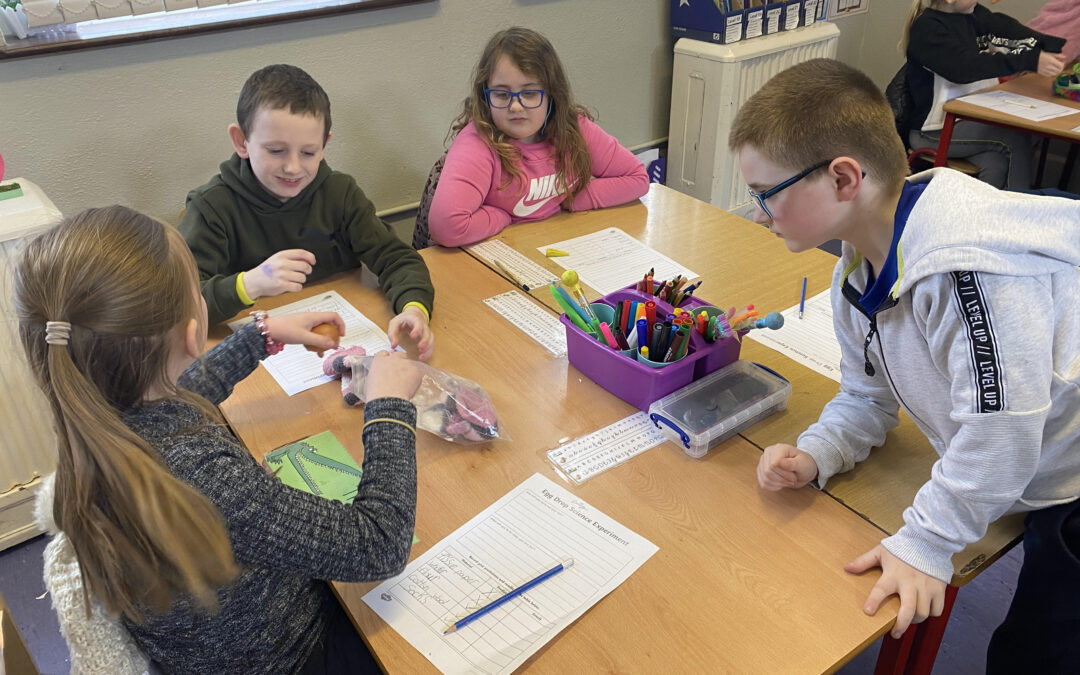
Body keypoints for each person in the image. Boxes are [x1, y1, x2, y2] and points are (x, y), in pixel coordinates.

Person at [729, 58, 1080, 673]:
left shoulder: (965, 270)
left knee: (1043, 647)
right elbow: (867, 397)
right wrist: (818, 452)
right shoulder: (856, 270)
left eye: (767, 193)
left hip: (1067, 466)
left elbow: (1002, 432)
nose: (759, 213)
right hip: (1030, 452)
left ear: (843, 179)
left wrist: (927, 542)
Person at [16, 205, 423, 674]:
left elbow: (181, 400)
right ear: (193, 334)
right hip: (294, 656)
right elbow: (380, 544)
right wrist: (390, 407)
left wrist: (260, 336)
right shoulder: (204, 477)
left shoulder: (99, 418)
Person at [179, 64, 435, 360]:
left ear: (325, 144)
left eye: (308, 152)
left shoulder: (340, 193)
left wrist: (414, 308)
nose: (293, 167)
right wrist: (249, 284)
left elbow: (396, 258)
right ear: (241, 142)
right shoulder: (211, 208)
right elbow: (181, 306)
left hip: (338, 344)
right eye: (276, 151)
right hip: (252, 356)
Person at [425, 26, 649, 248]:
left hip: (553, 244)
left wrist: (570, 200)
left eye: (530, 93)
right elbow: (446, 227)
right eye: (502, 94)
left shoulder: (574, 129)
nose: (515, 106)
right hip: (497, 254)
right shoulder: (478, 143)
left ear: (551, 94)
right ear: (485, 96)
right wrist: (503, 217)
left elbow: (637, 178)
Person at [901, 0, 1066, 189]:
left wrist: (1048, 45)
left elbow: (1005, 30)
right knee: (1013, 139)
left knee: (996, 163)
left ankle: (983, 215)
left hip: (968, 121)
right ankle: (1019, 211)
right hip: (934, 130)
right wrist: (1030, 60)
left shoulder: (973, 14)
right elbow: (965, 68)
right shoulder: (927, 29)